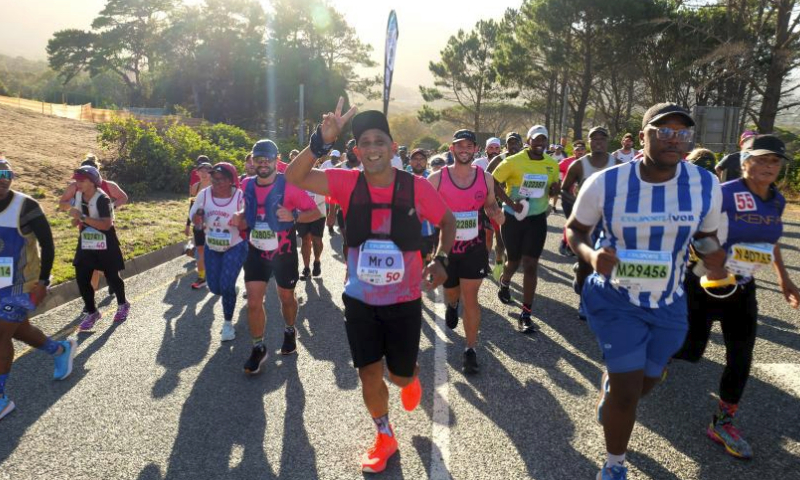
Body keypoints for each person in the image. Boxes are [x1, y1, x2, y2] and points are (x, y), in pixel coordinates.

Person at [285, 100, 456, 474]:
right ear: (357, 151)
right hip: (360, 299)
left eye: (380, 141)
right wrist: (320, 142)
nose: (373, 148)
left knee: (400, 376)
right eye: (365, 142)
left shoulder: (415, 187)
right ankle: (384, 435)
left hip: (404, 300)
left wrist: (442, 259)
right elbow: (295, 177)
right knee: (368, 373)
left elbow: (447, 221)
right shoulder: (346, 182)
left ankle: (409, 375)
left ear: (393, 148)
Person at [566, 103, 727, 480]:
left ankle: (615, 392)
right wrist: (591, 256)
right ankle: (614, 465)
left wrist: (713, 254)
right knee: (626, 392)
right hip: (615, 298)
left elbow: (704, 236)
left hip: (668, 301)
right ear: (643, 137)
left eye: (682, 133)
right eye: (664, 131)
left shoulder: (705, 184)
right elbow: (575, 229)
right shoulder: (606, 183)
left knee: (647, 381)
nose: (674, 139)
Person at [673, 134, 799, 460]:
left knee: (741, 358)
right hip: (703, 282)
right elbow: (695, 231)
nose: (768, 166)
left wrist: (785, 279)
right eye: (761, 159)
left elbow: (770, 240)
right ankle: (646, 363)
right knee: (689, 350)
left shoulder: (776, 201)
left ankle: (722, 423)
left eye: (774, 161)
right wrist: (714, 263)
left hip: (742, 287)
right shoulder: (723, 193)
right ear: (744, 162)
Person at [0, 158, 75, 421]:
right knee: (20, 331)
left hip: (23, 285)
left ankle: (1, 398)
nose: (3, 180)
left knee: (0, 335)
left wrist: (43, 282)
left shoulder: (25, 206)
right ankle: (60, 350)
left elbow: (48, 244)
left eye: (7, 174)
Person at [238, 140, 321, 373]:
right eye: (259, 159)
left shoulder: (289, 185)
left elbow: (314, 212)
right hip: (256, 252)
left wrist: (293, 216)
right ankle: (258, 347)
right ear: (253, 161)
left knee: (286, 298)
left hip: (283, 253)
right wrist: (239, 218)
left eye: (268, 159)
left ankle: (289, 329)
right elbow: (245, 211)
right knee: (253, 301)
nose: (263, 163)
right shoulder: (246, 184)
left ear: (277, 160)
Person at [428, 129, 504, 373]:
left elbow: (490, 204)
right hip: (446, 248)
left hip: (474, 247)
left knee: (471, 298)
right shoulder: (437, 178)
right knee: (452, 292)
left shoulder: (485, 178)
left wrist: (497, 213)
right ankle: (452, 305)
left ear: (475, 150)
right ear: (452, 149)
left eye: (469, 146)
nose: (464, 150)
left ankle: (470, 349)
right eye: (459, 145)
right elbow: (423, 208)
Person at [491, 125, 560, 332]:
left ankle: (526, 313)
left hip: (536, 219)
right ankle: (505, 281)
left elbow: (552, 189)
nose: (540, 143)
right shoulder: (513, 161)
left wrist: (554, 190)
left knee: (530, 264)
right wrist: (511, 204)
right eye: (536, 139)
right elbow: (492, 182)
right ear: (528, 141)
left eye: (543, 139)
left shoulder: (551, 164)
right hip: (513, 218)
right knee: (514, 261)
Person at [560, 127, 621, 319]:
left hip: (610, 222)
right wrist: (575, 210)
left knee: (610, 261)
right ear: (589, 142)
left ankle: (606, 300)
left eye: (602, 138)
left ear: (607, 141)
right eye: (594, 139)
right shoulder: (579, 165)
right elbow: (564, 190)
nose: (598, 142)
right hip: (588, 222)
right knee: (586, 262)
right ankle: (584, 299)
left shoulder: (617, 165)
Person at [189, 163, 246, 342]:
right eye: (214, 178)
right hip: (212, 245)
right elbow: (194, 217)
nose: (216, 182)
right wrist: (198, 218)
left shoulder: (239, 196)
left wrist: (240, 219)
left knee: (226, 285)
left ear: (230, 180)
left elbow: (248, 221)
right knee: (215, 288)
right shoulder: (204, 195)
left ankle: (228, 324)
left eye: (220, 179)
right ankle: (230, 290)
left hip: (235, 245)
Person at [69, 166, 131, 330]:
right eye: (76, 180)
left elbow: (106, 224)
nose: (77, 184)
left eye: (81, 181)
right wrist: (75, 219)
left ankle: (123, 304)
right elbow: (77, 218)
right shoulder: (79, 195)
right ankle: (92, 312)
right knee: (82, 277)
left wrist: (82, 217)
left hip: (105, 240)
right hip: (87, 240)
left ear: (92, 182)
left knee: (112, 276)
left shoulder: (103, 199)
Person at [59, 155, 129, 299]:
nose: (82, 181)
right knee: (91, 266)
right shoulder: (76, 187)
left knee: (107, 264)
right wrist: (75, 206)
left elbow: (123, 197)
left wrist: (111, 207)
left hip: (104, 230)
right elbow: (63, 203)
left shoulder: (108, 185)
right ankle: (93, 295)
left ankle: (112, 282)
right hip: (86, 230)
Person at [485, 132, 524, 279]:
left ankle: (510, 264)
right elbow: (486, 178)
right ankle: (499, 264)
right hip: (499, 205)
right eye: (510, 143)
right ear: (506, 145)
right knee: (500, 241)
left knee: (518, 240)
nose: (513, 146)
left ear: (521, 144)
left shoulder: (526, 159)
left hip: (521, 206)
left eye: (516, 143)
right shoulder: (499, 159)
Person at [184, 162, 213, 288]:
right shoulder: (195, 187)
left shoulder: (217, 186)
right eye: (201, 171)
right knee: (201, 252)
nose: (204, 173)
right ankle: (202, 277)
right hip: (199, 225)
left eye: (207, 170)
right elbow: (192, 207)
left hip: (213, 225)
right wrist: (188, 224)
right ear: (197, 172)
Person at [408, 149, 438, 263]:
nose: (418, 162)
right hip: (408, 230)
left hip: (428, 230)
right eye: (415, 159)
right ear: (410, 162)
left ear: (426, 161)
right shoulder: (404, 179)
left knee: (425, 262)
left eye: (421, 159)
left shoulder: (433, 178)